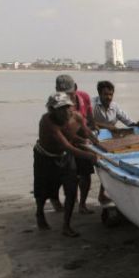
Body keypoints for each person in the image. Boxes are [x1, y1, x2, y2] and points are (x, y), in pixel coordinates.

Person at [34, 93, 99, 237]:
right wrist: (90, 156)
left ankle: (66, 226)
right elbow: (67, 145)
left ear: (72, 107)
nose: (64, 112)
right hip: (45, 157)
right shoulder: (47, 121)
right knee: (43, 190)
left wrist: (98, 144)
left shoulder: (77, 117)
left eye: (66, 108)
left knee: (71, 189)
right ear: (52, 110)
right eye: (59, 109)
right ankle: (39, 213)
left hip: (65, 156)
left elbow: (85, 132)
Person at [54, 74, 102, 213]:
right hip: (66, 140)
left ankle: (82, 204)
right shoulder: (56, 104)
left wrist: (93, 129)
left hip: (82, 137)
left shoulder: (84, 97)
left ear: (75, 88)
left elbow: (88, 116)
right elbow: (61, 130)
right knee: (66, 174)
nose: (66, 97)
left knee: (85, 173)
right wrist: (82, 140)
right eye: (62, 93)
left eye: (69, 93)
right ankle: (62, 200)